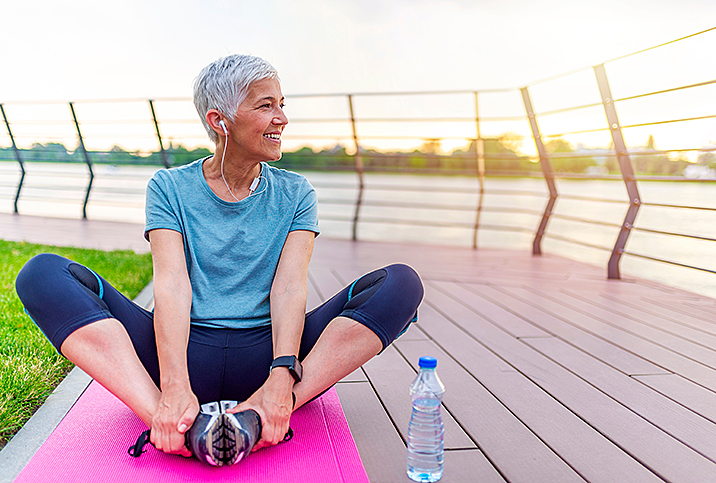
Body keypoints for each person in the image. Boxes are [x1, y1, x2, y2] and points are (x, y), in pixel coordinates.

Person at [15, 54, 424, 466]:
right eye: (266, 105)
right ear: (219, 120)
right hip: (179, 353)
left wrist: (283, 375)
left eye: (282, 104)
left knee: (401, 284)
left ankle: (265, 412)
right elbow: (172, 283)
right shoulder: (169, 186)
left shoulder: (297, 193)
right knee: (42, 274)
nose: (281, 118)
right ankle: (169, 419)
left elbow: (289, 287)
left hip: (268, 359)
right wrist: (174, 384)